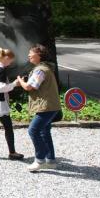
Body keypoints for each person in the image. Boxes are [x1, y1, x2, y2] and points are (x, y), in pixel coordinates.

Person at [17, 44, 62, 172]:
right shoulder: (45, 68)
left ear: (39, 55)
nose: (29, 55)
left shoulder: (40, 70)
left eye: (31, 53)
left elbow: (30, 87)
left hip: (46, 106)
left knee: (33, 130)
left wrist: (21, 81)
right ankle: (50, 161)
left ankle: (40, 160)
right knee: (44, 132)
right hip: (51, 105)